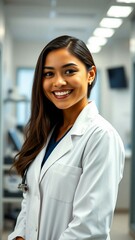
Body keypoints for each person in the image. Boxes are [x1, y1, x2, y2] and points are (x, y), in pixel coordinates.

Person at [8, 35, 125, 240]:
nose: (58, 82)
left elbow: (90, 229)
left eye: (69, 71)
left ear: (90, 74)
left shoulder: (101, 137)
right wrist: (19, 236)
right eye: (49, 74)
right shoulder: (45, 133)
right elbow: (30, 201)